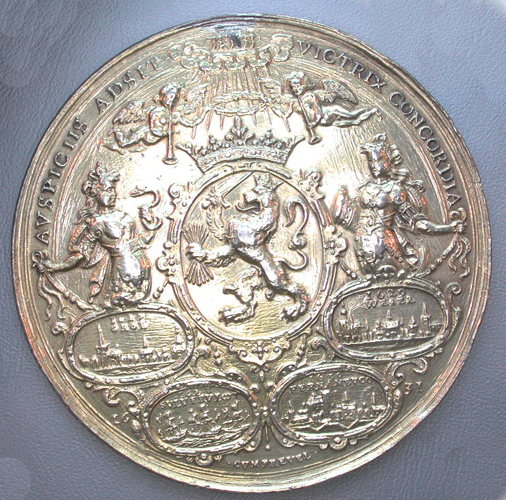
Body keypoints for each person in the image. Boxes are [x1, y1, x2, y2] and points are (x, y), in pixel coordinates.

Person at [334, 133, 464, 275]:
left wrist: (448, 228)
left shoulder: (395, 190)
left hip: (384, 245)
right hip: (360, 244)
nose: (374, 165)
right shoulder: (364, 188)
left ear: (388, 162)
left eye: (378, 160)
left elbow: (418, 223)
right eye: (371, 161)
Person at [39, 164, 156, 307]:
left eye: (113, 190)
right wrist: (56, 267)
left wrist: (149, 221)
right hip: (123, 271)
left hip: (142, 265)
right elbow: (81, 254)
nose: (112, 195)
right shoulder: (96, 223)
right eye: (107, 191)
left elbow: (144, 239)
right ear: (96, 193)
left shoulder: (122, 214)